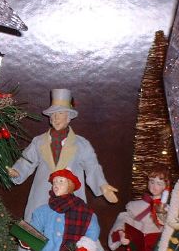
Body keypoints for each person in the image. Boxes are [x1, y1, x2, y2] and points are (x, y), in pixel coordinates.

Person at [7, 89, 118, 224]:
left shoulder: (81, 144)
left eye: (60, 113)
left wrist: (102, 186)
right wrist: (17, 171)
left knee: (69, 227)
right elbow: (27, 160)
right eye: (53, 114)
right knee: (37, 226)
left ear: (69, 117)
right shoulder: (39, 141)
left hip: (70, 198)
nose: (55, 118)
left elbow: (92, 167)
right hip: (42, 195)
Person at [30, 169, 101, 251]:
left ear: (70, 185)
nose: (56, 185)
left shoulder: (85, 211)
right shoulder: (44, 211)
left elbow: (93, 229)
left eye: (61, 181)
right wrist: (27, 238)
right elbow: (34, 228)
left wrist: (84, 247)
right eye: (54, 182)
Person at [108, 164, 170, 251]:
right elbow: (123, 220)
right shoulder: (135, 206)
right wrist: (121, 233)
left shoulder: (168, 209)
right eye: (152, 181)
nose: (154, 186)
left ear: (165, 186)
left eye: (159, 183)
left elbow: (170, 228)